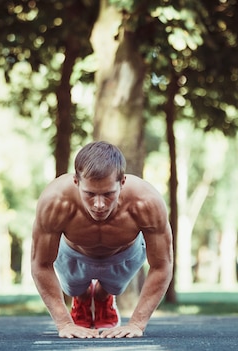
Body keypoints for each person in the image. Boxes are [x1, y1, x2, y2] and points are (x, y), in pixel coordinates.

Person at [31, 141, 173, 339]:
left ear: (122, 182)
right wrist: (64, 323)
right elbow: (41, 263)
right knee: (76, 288)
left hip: (124, 253)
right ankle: (81, 298)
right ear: (76, 181)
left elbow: (162, 265)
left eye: (108, 194)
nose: (99, 205)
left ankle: (102, 296)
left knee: (111, 287)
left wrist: (136, 324)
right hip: (74, 253)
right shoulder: (56, 201)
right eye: (89, 194)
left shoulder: (146, 202)